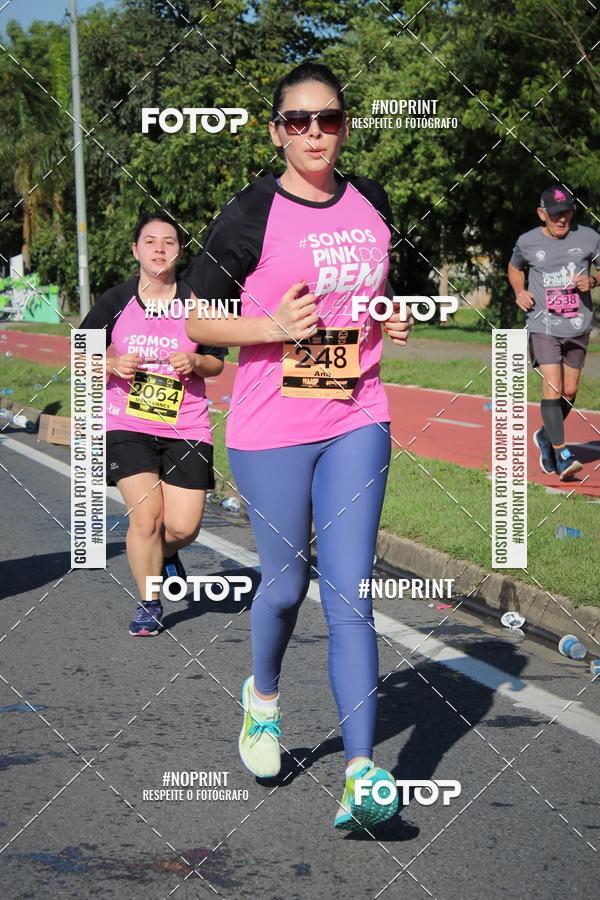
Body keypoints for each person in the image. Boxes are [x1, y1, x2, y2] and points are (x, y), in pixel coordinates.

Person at [184, 62, 411, 831]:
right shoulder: (249, 214)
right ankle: (264, 700)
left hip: (358, 415)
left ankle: (361, 775)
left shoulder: (372, 201)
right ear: (277, 129)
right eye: (298, 121)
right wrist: (273, 329)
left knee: (350, 595)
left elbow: (375, 292)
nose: (316, 133)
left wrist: (393, 312)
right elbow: (199, 323)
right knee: (284, 588)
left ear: (345, 125)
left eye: (330, 119)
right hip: (270, 427)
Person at [80, 212, 226, 635]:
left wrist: (196, 361)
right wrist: (110, 362)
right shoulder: (115, 299)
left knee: (183, 526)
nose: (159, 248)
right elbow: (80, 356)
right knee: (146, 519)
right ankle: (149, 601)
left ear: (180, 251)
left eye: (168, 242)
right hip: (127, 422)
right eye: (150, 241)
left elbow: (216, 361)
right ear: (136, 250)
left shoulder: (198, 300)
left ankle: (162, 555)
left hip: (187, 425)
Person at [508, 186, 600, 480]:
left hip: (577, 324)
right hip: (542, 324)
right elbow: (514, 267)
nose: (562, 219)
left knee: (570, 391)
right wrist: (519, 291)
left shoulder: (589, 237)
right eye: (556, 214)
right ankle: (562, 453)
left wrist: (593, 281)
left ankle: (546, 436)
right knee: (553, 387)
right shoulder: (528, 241)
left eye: (568, 212)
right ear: (542, 214)